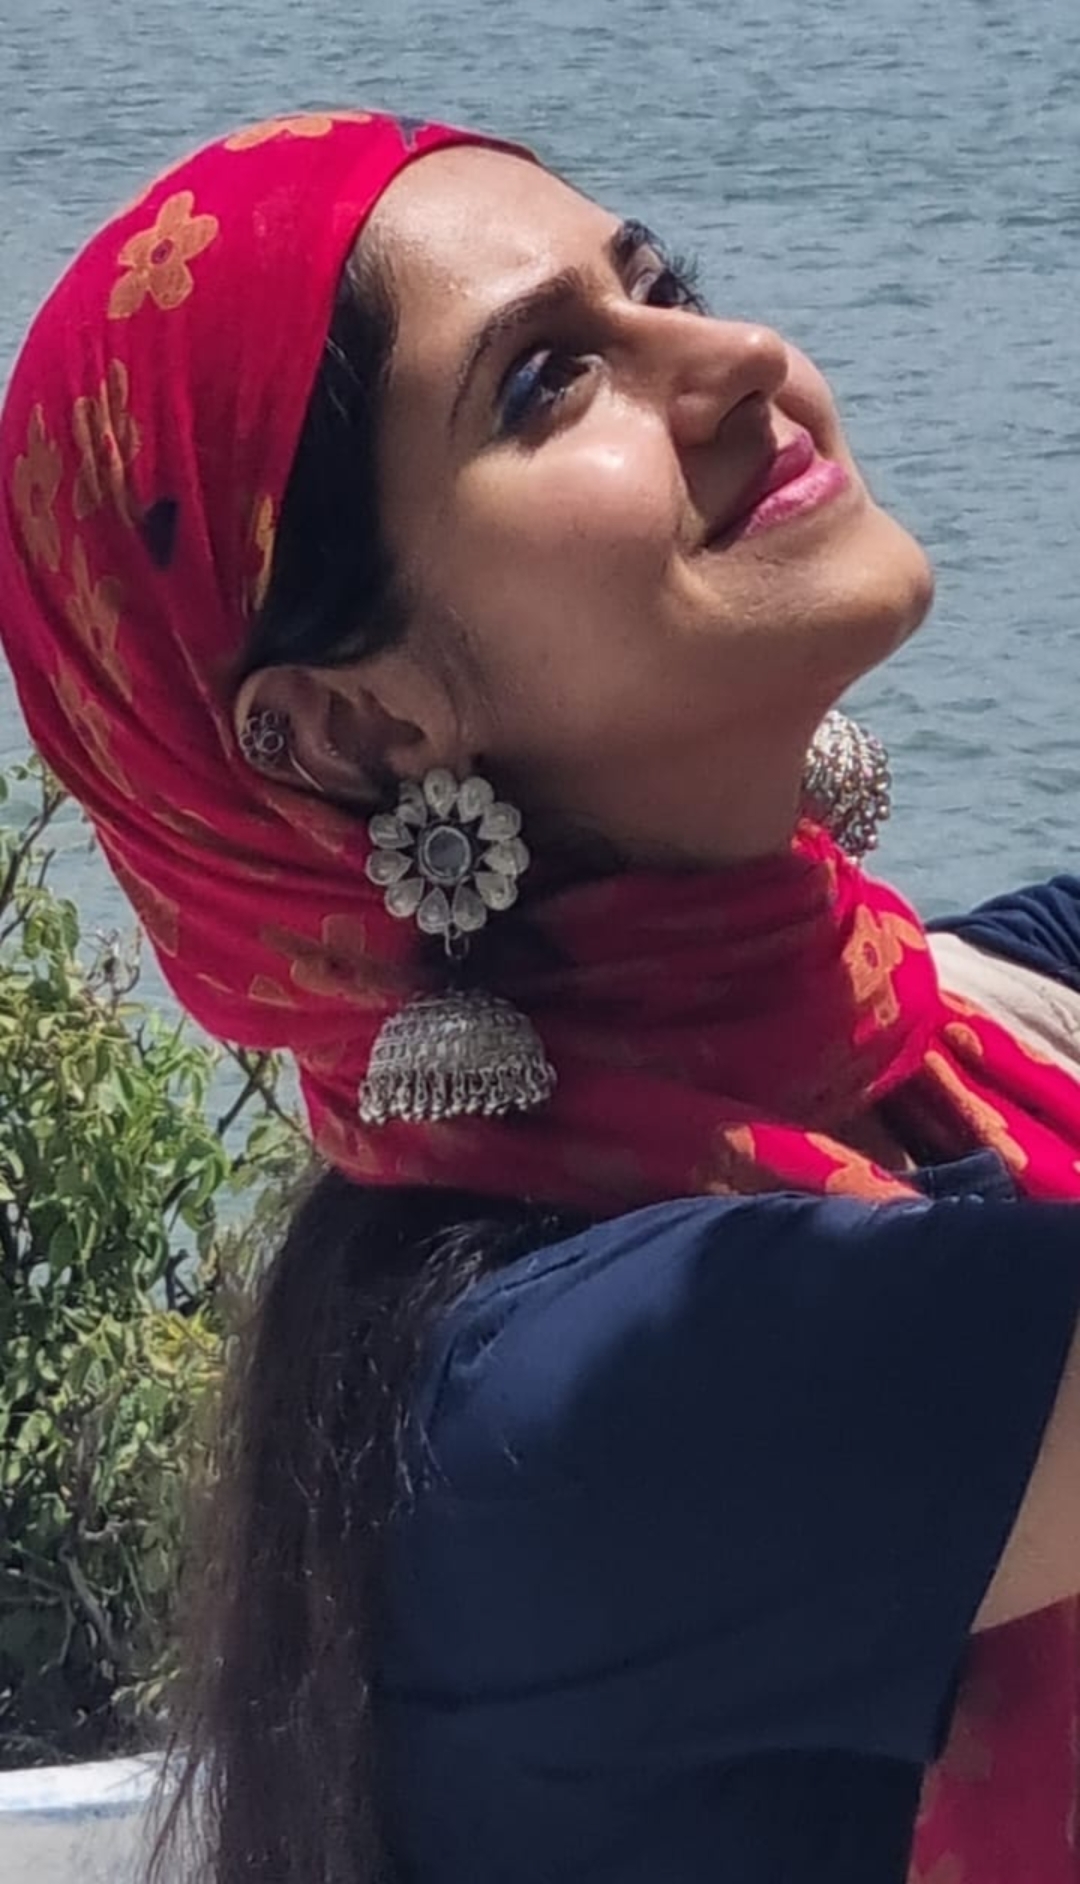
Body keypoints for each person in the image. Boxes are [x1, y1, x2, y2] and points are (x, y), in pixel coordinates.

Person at [2, 108, 1080, 1884]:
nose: (741, 357)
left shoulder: (922, 1041)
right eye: (548, 381)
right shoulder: (574, 1408)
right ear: (355, 726)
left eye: (662, 286)